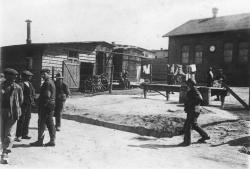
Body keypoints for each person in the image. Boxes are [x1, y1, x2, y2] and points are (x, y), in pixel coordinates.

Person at [1, 68, 23, 164]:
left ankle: (6, 153)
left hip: (12, 112)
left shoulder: (17, 87)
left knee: (9, 133)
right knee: (1, 132)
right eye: (13, 76)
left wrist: (15, 109)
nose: (15, 78)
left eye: (15, 76)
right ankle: (2, 149)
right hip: (1, 111)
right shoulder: (1, 86)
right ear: (7, 76)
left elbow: (21, 100)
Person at [179, 78, 210, 146]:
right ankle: (205, 136)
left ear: (190, 84)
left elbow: (199, 99)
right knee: (194, 125)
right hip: (193, 110)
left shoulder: (194, 90)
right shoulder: (192, 89)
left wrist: (191, 105)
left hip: (193, 110)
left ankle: (187, 142)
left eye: (188, 83)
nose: (187, 84)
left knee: (188, 125)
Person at [30, 69, 56, 147]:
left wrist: (38, 103)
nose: (42, 76)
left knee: (41, 123)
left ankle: (40, 141)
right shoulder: (51, 82)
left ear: (48, 73)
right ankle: (52, 141)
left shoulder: (47, 83)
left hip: (45, 106)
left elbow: (46, 96)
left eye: (44, 74)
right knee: (50, 123)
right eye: (41, 74)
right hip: (51, 105)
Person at [15, 70, 36, 142]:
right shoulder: (21, 84)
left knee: (27, 118)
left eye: (30, 76)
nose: (30, 77)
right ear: (24, 77)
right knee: (21, 119)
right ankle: (18, 135)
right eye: (28, 76)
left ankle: (25, 134)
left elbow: (33, 93)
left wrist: (33, 100)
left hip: (28, 104)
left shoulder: (30, 84)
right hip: (22, 105)